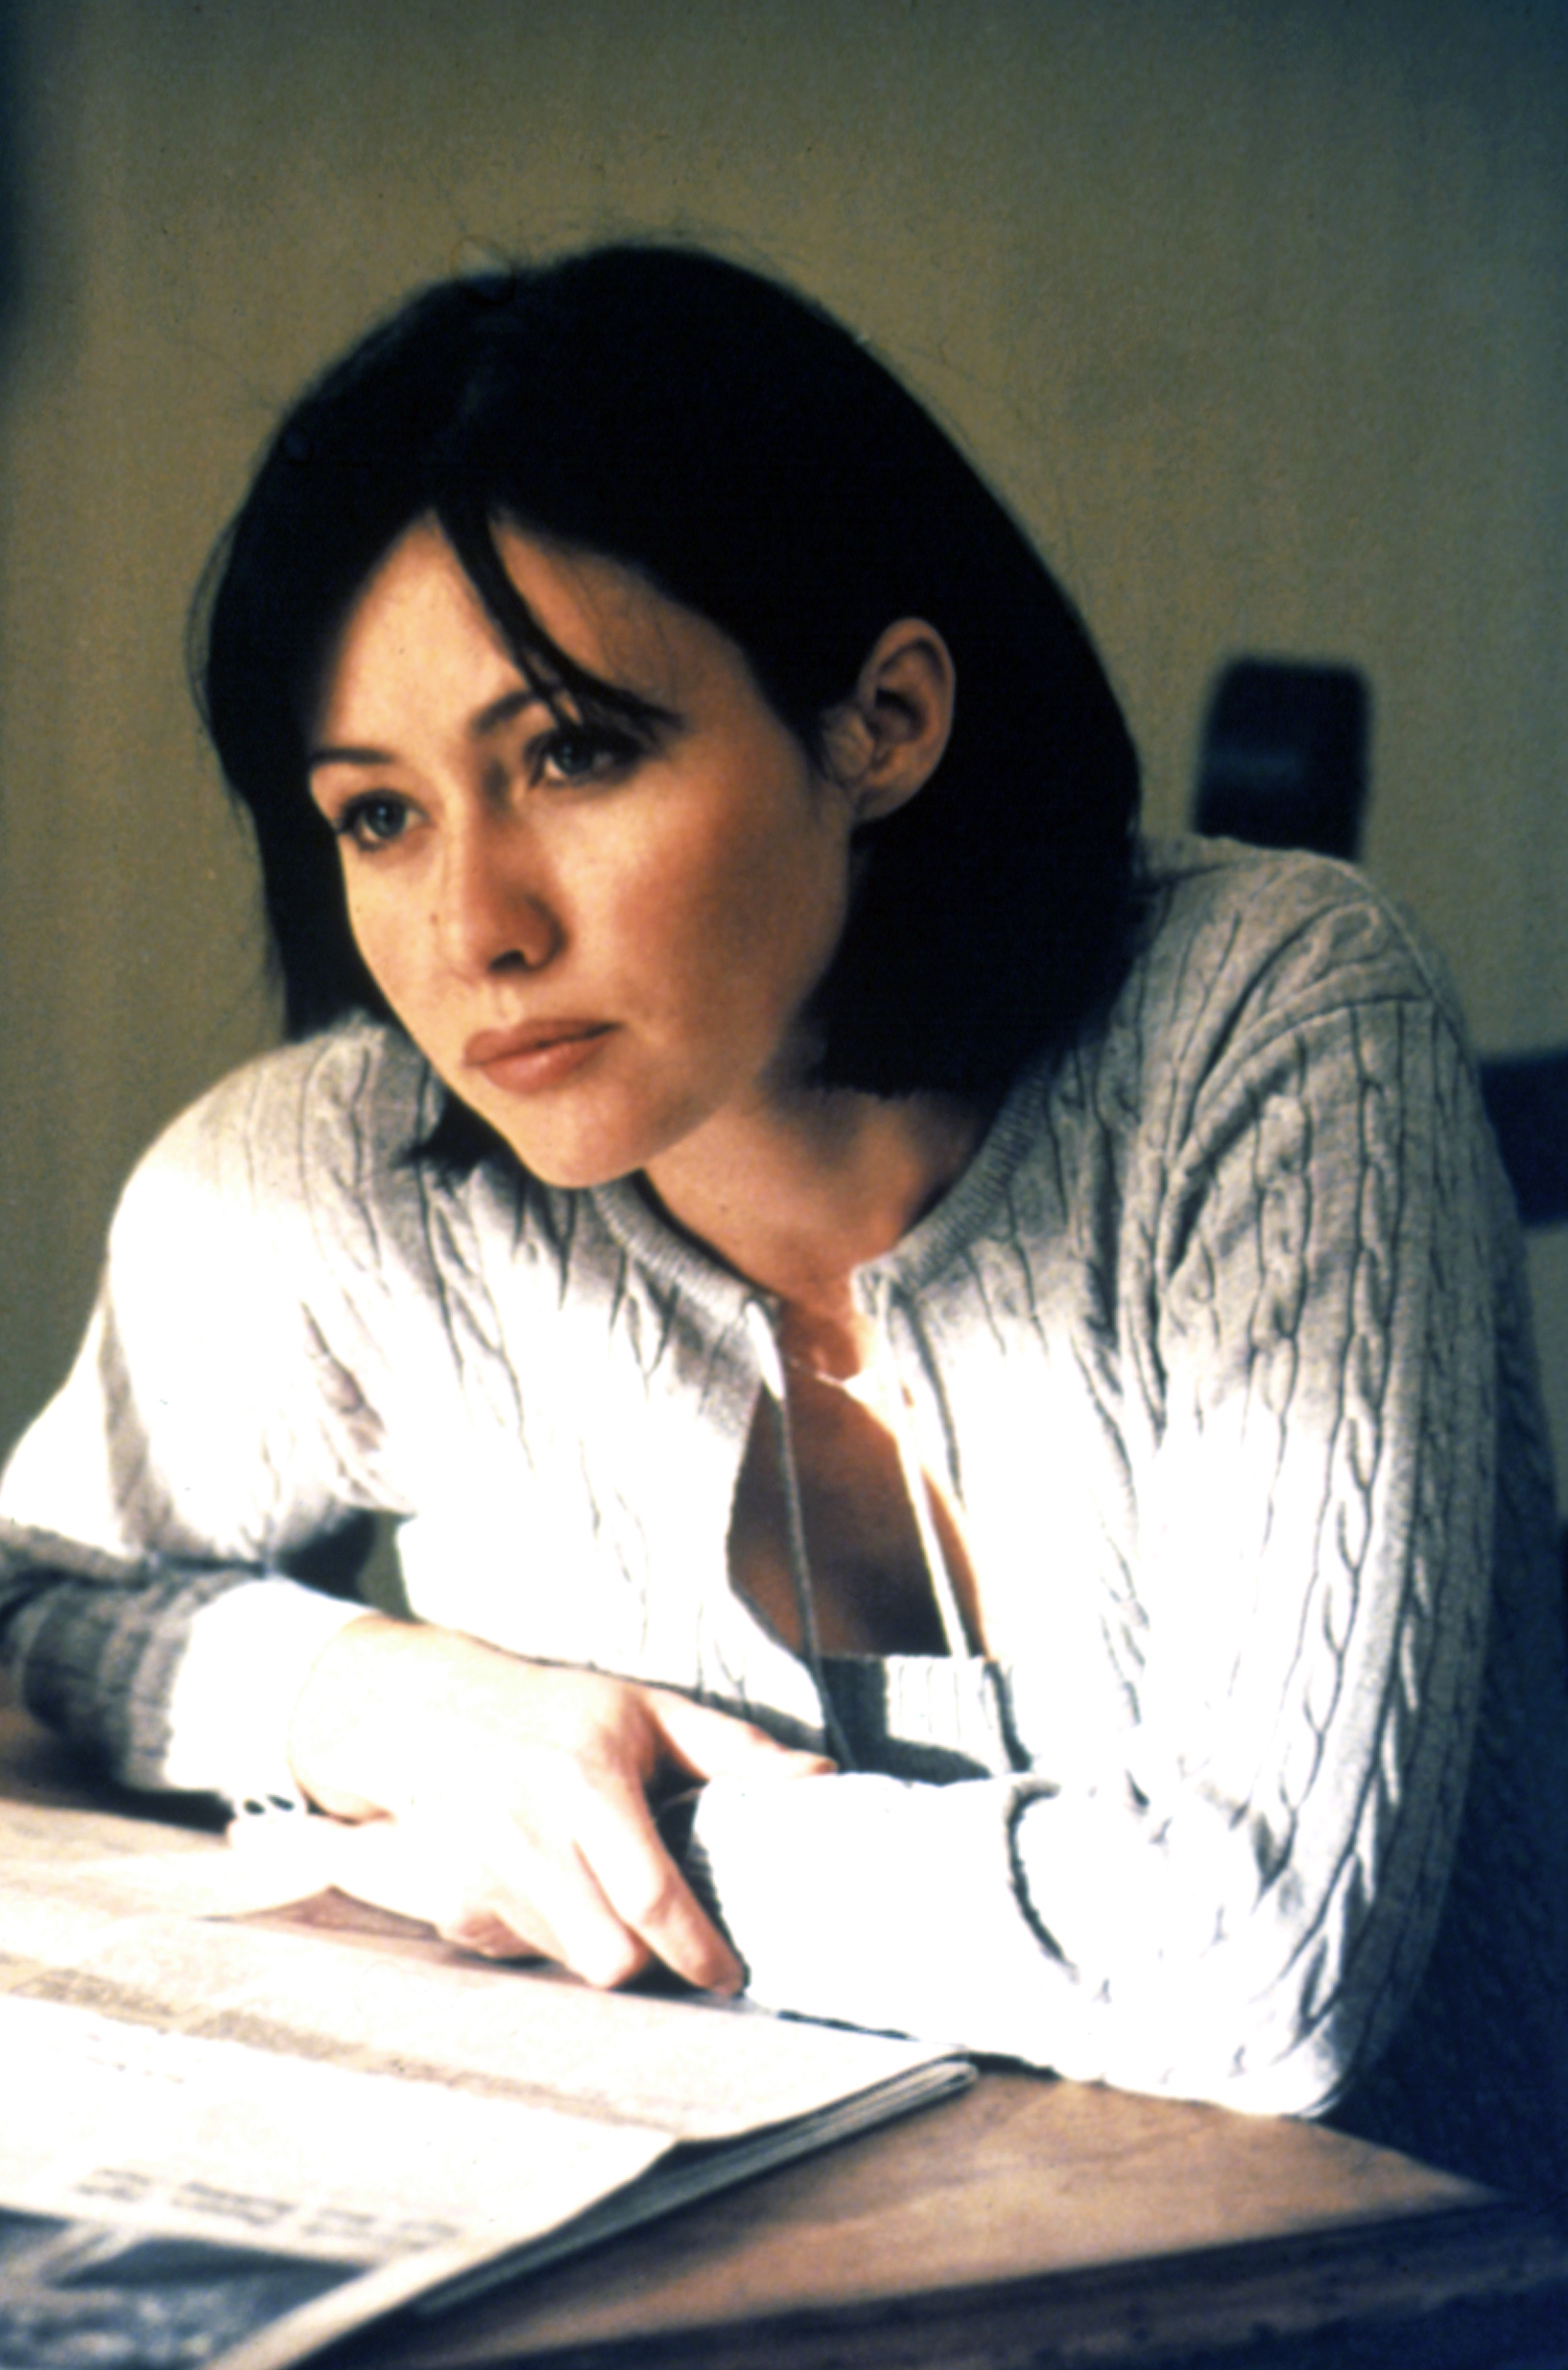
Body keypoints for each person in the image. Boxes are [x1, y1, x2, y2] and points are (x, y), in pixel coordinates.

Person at [2, 244, 1565, 2205]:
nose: (471, 926)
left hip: (1372, 2298)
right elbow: (29, 1601)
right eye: (376, 815)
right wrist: (375, 1706)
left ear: (881, 718)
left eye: (571, 752)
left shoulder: (1273, 1019)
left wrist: (564, 1844)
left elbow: (1260, 1960)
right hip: (708, 2287)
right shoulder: (319, 1177)